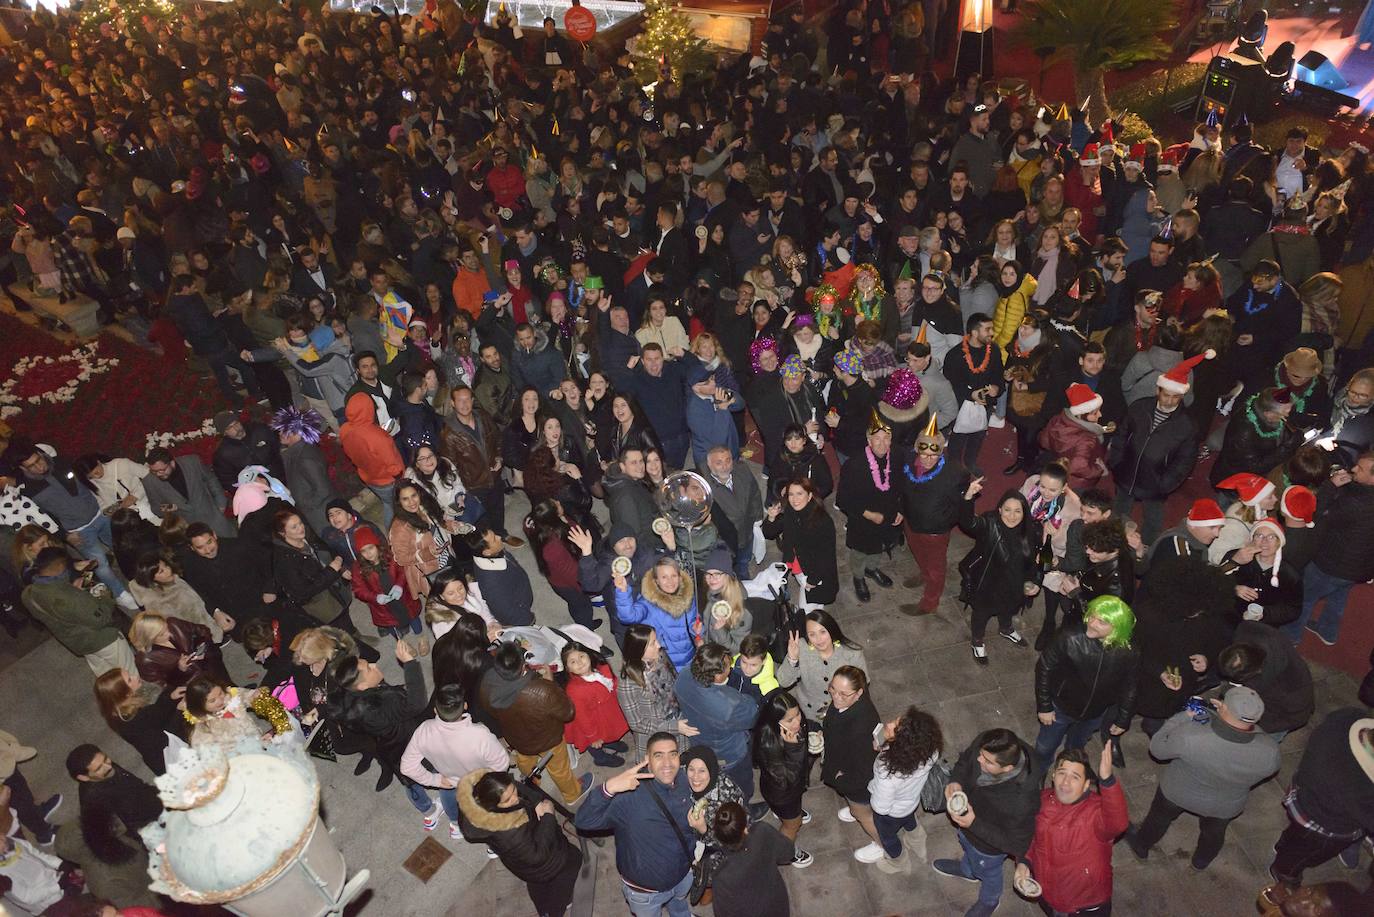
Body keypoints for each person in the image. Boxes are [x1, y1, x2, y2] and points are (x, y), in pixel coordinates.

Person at [1125, 686, 1281, 870]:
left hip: (1178, 792)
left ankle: (1141, 846)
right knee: (1213, 834)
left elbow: (1157, 750)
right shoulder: (1270, 751)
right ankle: (1200, 863)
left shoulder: (1192, 735)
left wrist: (1185, 716)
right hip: (1225, 805)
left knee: (1158, 818)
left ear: (1223, 707)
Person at [574, 734, 697, 917]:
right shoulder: (629, 796)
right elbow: (584, 820)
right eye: (658, 755)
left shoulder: (685, 780)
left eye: (672, 754)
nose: (667, 763)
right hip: (646, 892)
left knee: (679, 906)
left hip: (682, 874)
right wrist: (610, 787)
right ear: (647, 759)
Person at [933, 729, 1043, 917]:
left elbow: (1016, 844)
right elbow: (966, 759)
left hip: (988, 848)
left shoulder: (1023, 801)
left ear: (1007, 768)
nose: (979, 760)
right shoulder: (990, 744)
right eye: (981, 755)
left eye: (987, 761)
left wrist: (973, 823)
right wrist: (956, 781)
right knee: (970, 854)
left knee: (989, 873)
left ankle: (990, 900)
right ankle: (968, 870)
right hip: (968, 828)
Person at [326, 641, 435, 822]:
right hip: (410, 742)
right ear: (361, 687)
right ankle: (432, 811)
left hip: (389, 747)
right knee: (430, 771)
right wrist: (409, 664)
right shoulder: (381, 705)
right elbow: (417, 704)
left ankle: (428, 812)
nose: (374, 665)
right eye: (369, 668)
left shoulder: (350, 702)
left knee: (408, 780)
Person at [1018, 743, 1130, 917]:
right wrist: (1025, 862)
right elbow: (1032, 838)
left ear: (1086, 785)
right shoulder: (1041, 800)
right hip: (1048, 895)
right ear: (1053, 776)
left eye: (1075, 777)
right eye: (1062, 773)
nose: (1066, 782)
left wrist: (1107, 781)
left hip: (1085, 906)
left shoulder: (1096, 812)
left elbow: (1118, 822)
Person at [1268, 707, 1374, 887]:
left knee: (1295, 835)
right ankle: (1284, 873)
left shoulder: (1348, 718)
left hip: (1302, 793)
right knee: (1307, 854)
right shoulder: (1358, 786)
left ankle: (1282, 846)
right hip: (1325, 824)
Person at [456, 768, 583, 917]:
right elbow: (538, 856)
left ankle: (544, 911)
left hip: (522, 863)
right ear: (493, 804)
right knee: (574, 861)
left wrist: (535, 801)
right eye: (508, 799)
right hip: (546, 862)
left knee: (536, 882)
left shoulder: (477, 803)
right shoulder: (511, 833)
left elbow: (511, 785)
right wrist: (548, 816)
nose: (516, 798)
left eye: (514, 791)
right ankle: (555, 912)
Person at [1033, 596, 1139, 772]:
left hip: (1095, 713)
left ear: (1117, 627)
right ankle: (1039, 772)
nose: (1092, 623)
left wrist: (1124, 718)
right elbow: (1044, 669)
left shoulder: (1129, 651)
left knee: (1076, 748)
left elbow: (1130, 685)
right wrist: (1044, 706)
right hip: (1061, 707)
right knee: (1044, 747)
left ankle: (1069, 770)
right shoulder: (1069, 636)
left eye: (1102, 622)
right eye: (1092, 616)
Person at [478, 642, 591, 805]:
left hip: (516, 738)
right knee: (559, 769)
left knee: (524, 759)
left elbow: (491, 710)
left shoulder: (487, 681)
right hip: (548, 739)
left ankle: (531, 780)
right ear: (523, 665)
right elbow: (568, 713)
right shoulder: (541, 690)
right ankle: (572, 794)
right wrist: (550, 682)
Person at [1282, 451, 1374, 646]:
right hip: (1361, 566)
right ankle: (1328, 631)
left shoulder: (1356, 504)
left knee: (1304, 597)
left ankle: (1291, 637)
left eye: (1360, 469)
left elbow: (1317, 514)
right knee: (1338, 596)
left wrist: (1330, 485)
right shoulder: (1364, 495)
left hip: (1333, 565)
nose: (1354, 468)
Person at [400, 684, 509, 842]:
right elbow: (502, 763)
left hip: (448, 779)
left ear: (436, 710)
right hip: (478, 783)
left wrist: (435, 780)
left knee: (449, 796)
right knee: (483, 810)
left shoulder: (424, 730)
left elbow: (407, 766)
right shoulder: (480, 735)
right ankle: (492, 842)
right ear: (465, 706)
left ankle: (455, 825)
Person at [1108, 377, 1198, 545]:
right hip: (1125, 474)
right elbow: (1121, 436)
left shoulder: (1187, 425)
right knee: (1118, 515)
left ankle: (1146, 551)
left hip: (1156, 484)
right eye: (1166, 395)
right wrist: (1116, 463)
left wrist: (1165, 484)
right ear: (1158, 391)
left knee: (1152, 523)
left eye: (1175, 397)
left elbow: (1185, 461)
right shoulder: (1139, 407)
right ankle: (1113, 545)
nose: (1170, 401)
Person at [958, 479, 1040, 663]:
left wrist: (1033, 581)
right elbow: (968, 523)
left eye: (1018, 511)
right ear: (1000, 510)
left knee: (1009, 609)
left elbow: (1033, 562)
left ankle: (1006, 628)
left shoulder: (1031, 531)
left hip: (1014, 585)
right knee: (981, 615)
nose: (1012, 516)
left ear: (1024, 513)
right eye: (1007, 510)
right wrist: (968, 496)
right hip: (987, 584)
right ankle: (977, 641)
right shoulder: (989, 523)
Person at [20, 547, 136, 676]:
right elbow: (102, 617)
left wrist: (82, 580)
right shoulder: (69, 598)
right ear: (59, 566)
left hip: (79, 644)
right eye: (66, 566)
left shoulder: (28, 593)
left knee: (109, 677)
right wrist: (104, 593)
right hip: (104, 641)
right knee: (129, 675)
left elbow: (64, 608)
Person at [673, 642, 760, 803]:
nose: (731, 668)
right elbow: (752, 714)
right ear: (717, 676)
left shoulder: (684, 676)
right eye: (728, 667)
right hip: (729, 754)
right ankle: (743, 809)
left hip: (700, 744)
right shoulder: (729, 705)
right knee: (741, 786)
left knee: (713, 781)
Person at [864, 706, 943, 873]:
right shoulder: (930, 751)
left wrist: (884, 751)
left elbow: (880, 807)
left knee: (888, 838)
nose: (889, 723)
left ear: (901, 744)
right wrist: (887, 746)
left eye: (895, 727)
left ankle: (899, 862)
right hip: (911, 802)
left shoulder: (888, 773)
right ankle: (918, 840)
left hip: (891, 814)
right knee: (909, 820)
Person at [836, 411, 904, 603]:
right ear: (869, 440)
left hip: (888, 515)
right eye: (877, 439)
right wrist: (868, 514)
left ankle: (872, 569)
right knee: (860, 551)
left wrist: (901, 510)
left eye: (886, 438)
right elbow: (842, 498)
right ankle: (858, 577)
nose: (882, 444)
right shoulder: (854, 465)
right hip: (863, 520)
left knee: (879, 547)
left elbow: (903, 486)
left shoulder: (897, 457)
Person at [819, 665, 885, 859]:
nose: (836, 697)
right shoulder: (850, 704)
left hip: (856, 781)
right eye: (833, 689)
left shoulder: (860, 728)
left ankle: (881, 844)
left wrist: (841, 781)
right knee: (857, 806)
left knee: (863, 812)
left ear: (859, 693)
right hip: (845, 764)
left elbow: (863, 773)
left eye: (843, 694)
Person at [66, 744, 162, 864]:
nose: (108, 767)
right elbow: (102, 842)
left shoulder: (106, 769)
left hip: (153, 806)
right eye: (99, 768)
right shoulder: (93, 803)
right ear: (84, 777)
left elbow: (138, 786)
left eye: (106, 759)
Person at [1218, 625, 1315, 739]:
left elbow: (1297, 718)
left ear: (1256, 671)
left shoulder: (1291, 687)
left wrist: (1252, 727)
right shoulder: (1246, 634)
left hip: (1278, 718)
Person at [617, 624, 696, 759]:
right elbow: (637, 723)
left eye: (656, 640)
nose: (659, 645)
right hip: (657, 733)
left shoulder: (660, 656)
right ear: (639, 650)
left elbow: (674, 680)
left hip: (678, 718)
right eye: (653, 643)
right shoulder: (628, 683)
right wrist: (674, 727)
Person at [93, 667, 189, 775]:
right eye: (129, 680)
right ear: (124, 693)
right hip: (171, 756)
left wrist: (171, 697)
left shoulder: (119, 710)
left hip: (162, 752)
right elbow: (163, 731)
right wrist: (180, 711)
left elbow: (157, 712)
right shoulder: (134, 720)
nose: (135, 677)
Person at [761, 477, 838, 609]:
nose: (794, 499)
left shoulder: (822, 521)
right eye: (791, 494)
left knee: (808, 611)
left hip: (814, 573)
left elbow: (826, 555)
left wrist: (812, 580)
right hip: (800, 566)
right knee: (813, 606)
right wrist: (771, 518)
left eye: (799, 494)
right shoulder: (791, 511)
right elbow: (769, 533)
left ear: (809, 496)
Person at [709, 800, 796, 917]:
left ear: (718, 837)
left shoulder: (721, 876)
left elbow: (723, 913)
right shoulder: (762, 832)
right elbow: (788, 852)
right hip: (776, 904)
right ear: (744, 828)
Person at [613, 556, 701, 670]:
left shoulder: (688, 597)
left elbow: (693, 625)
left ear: (680, 577)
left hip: (690, 658)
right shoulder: (648, 602)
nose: (670, 581)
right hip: (664, 662)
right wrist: (622, 591)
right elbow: (628, 617)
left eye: (674, 576)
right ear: (656, 581)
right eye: (664, 577)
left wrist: (699, 634)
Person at [339, 392, 406, 529]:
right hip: (387, 480)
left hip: (368, 477)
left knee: (387, 503)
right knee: (391, 506)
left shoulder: (345, 430)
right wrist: (400, 477)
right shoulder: (378, 437)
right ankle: (392, 532)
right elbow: (392, 463)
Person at [560, 641, 630, 768]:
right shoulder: (575, 690)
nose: (580, 662)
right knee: (593, 743)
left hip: (604, 712)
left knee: (608, 732)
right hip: (589, 723)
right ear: (567, 668)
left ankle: (608, 741)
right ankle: (600, 757)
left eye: (581, 656)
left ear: (588, 654)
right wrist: (593, 737)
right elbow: (582, 718)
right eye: (573, 662)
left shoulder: (600, 668)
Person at [349, 527, 424, 644]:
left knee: (413, 616)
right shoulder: (357, 568)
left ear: (377, 546)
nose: (368, 553)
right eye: (363, 551)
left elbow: (403, 569)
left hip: (403, 596)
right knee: (392, 624)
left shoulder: (390, 555)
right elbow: (358, 590)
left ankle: (421, 637)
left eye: (370, 548)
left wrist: (399, 585)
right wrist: (375, 597)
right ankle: (403, 644)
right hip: (383, 606)